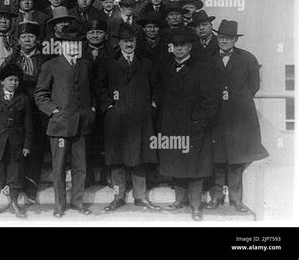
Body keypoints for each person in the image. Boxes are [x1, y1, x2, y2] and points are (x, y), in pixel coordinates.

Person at [96, 23, 161, 212]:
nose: (128, 44)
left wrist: (153, 105)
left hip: (140, 117)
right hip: (116, 118)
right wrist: (108, 106)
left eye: (131, 40)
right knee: (116, 159)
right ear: (119, 43)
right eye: (125, 41)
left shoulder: (146, 62)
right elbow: (99, 86)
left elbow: (157, 86)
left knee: (139, 156)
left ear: (135, 41)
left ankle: (140, 196)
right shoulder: (109, 62)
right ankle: (118, 196)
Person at [205, 20, 269, 213]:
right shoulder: (207, 58)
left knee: (236, 157)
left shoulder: (247, 58)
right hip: (215, 115)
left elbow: (254, 86)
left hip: (239, 116)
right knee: (217, 156)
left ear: (235, 40)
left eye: (228, 38)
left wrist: (237, 100)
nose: (224, 41)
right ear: (217, 38)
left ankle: (235, 198)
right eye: (221, 37)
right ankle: (216, 197)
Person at [34, 24, 96, 218]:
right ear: (60, 46)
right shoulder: (50, 65)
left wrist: (92, 109)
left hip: (81, 124)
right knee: (58, 167)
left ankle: (78, 202)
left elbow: (92, 90)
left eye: (76, 43)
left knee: (81, 167)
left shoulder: (85, 64)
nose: (72, 47)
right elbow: (40, 94)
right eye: (68, 43)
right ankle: (59, 205)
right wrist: (53, 111)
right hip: (60, 125)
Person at [156, 28, 218, 221]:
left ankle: (196, 206)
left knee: (195, 168)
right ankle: (179, 200)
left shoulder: (201, 67)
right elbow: (159, 93)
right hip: (172, 126)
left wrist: (199, 121)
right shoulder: (166, 68)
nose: (179, 49)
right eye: (176, 46)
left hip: (194, 127)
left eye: (183, 45)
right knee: (176, 164)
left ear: (190, 47)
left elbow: (211, 100)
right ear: (171, 48)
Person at [1, 21, 48, 203]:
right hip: (17, 108)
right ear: (18, 40)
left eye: (31, 36)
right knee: (15, 145)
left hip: (37, 109)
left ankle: (30, 185)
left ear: (37, 39)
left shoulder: (44, 60)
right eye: (23, 37)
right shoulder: (12, 60)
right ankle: (13, 182)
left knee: (35, 145)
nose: (27, 40)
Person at [0, 64, 33, 219]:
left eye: (16, 80)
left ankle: (14, 204)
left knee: (15, 175)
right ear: (2, 81)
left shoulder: (23, 99)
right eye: (10, 80)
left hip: (16, 144)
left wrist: (27, 145)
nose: (13, 83)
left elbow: (29, 124)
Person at [82, 19, 114, 187]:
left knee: (106, 139)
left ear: (105, 35)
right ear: (86, 35)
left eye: (99, 32)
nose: (95, 35)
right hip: (86, 102)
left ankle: (106, 173)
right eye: (92, 32)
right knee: (86, 139)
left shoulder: (112, 52)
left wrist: (107, 102)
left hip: (105, 102)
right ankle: (86, 174)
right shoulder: (79, 52)